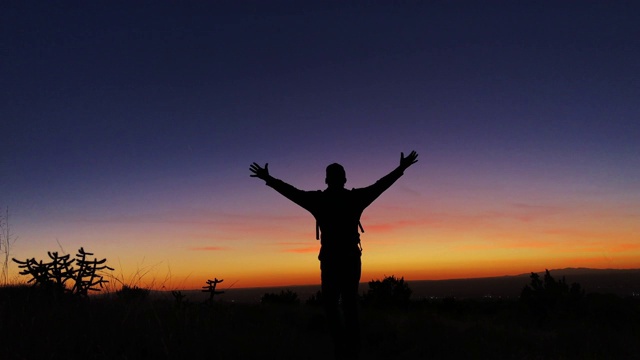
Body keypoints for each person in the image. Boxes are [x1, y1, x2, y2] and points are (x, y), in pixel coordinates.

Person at [249, 150, 418, 359]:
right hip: (350, 259)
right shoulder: (354, 198)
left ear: (327, 179)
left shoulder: (319, 201)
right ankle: (352, 349)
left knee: (332, 306)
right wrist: (400, 169)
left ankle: (341, 348)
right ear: (344, 179)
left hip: (330, 260)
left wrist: (269, 179)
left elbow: (292, 192)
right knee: (349, 305)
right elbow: (379, 186)